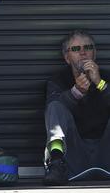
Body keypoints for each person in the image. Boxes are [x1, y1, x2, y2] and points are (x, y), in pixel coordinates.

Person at [43, 30, 110, 185]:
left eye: (88, 47)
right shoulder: (57, 81)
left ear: (94, 53)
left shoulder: (106, 77)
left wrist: (100, 84)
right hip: (74, 154)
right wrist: (76, 92)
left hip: (105, 151)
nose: (83, 52)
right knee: (55, 107)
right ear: (67, 58)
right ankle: (56, 162)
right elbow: (53, 109)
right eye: (75, 49)